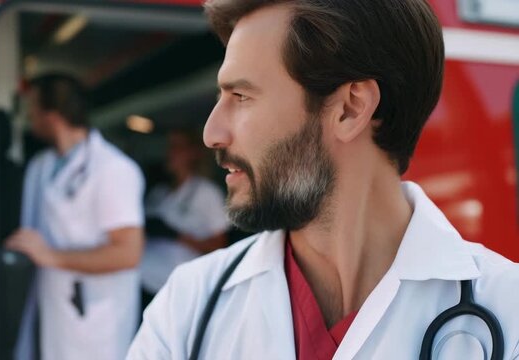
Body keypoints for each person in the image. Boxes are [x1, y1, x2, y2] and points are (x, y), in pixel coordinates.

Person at [127, 1, 519, 359]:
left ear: (350, 109)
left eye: (241, 96)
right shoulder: (188, 304)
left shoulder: (508, 310)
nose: (212, 133)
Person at [5, 73, 145, 360]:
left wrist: (51, 256)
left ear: (52, 115)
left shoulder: (113, 169)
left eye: (33, 107)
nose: (29, 116)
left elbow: (127, 253)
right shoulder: (41, 165)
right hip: (51, 309)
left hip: (94, 321)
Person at [141, 129, 229, 296]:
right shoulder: (159, 193)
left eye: (176, 146)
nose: (170, 152)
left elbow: (219, 246)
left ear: (193, 153)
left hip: (174, 288)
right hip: (142, 279)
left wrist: (177, 236)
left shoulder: (206, 193)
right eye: (169, 147)